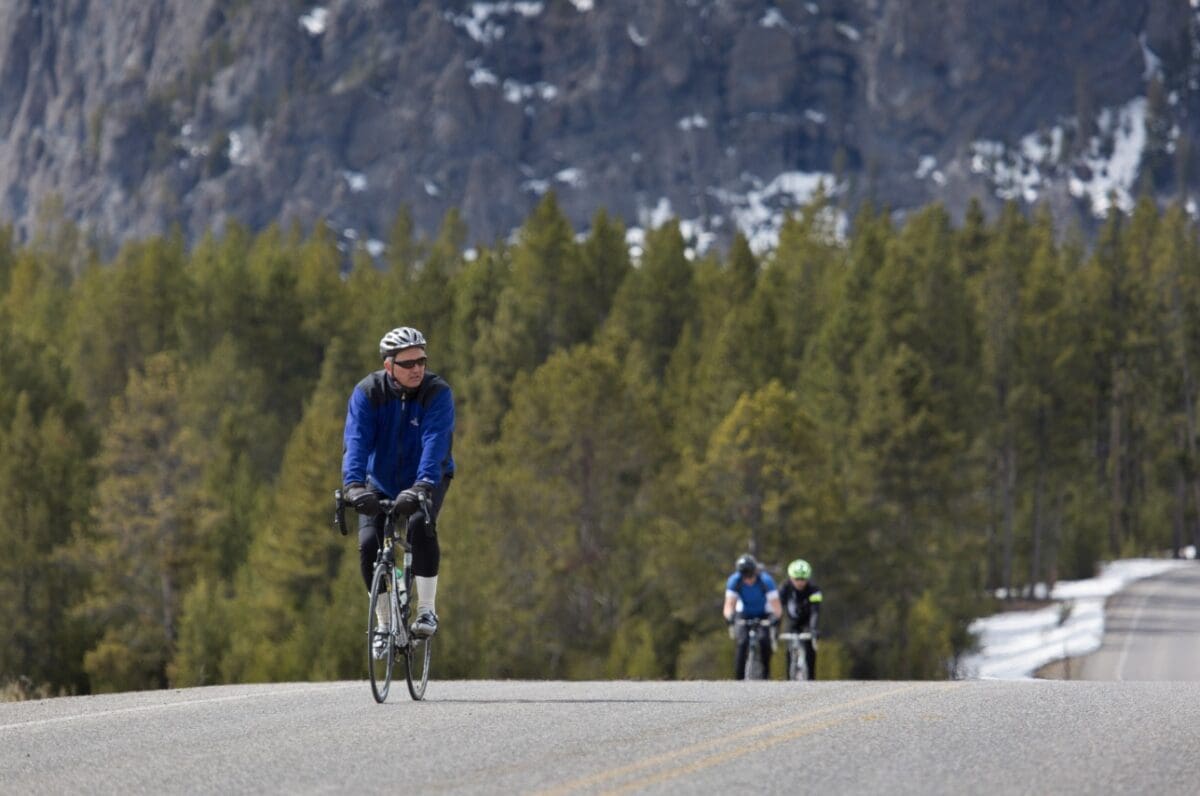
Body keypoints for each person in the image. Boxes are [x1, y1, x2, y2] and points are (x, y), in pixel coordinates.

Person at [342, 326, 455, 654]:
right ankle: (384, 624)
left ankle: (426, 610)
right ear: (388, 366)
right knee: (367, 545)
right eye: (408, 363)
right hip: (378, 481)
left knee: (421, 525)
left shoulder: (436, 393)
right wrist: (352, 485)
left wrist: (421, 486)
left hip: (428, 477)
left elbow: (436, 443)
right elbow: (356, 441)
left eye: (421, 360)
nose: (417, 368)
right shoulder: (367, 393)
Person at [723, 553, 782, 679]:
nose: (748, 580)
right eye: (744, 576)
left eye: (750, 576)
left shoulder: (766, 581)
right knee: (742, 641)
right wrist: (730, 617)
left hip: (763, 613)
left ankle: (765, 674)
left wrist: (774, 618)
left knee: (764, 640)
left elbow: (776, 607)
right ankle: (738, 678)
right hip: (743, 613)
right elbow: (729, 605)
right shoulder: (734, 581)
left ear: (756, 571)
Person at [778, 558, 823, 680]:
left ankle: (811, 679)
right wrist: (776, 625)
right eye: (797, 579)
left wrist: (813, 628)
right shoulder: (784, 587)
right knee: (789, 649)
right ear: (791, 577)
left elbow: (815, 611)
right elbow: (778, 609)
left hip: (808, 622)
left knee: (809, 650)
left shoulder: (814, 590)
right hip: (792, 622)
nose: (800, 582)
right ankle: (789, 678)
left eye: (803, 579)